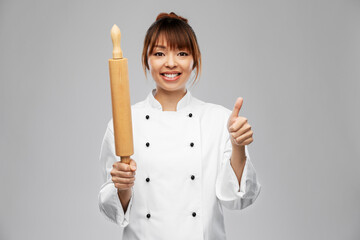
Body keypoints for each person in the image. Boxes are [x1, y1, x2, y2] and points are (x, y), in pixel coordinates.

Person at [98, 12, 261, 240]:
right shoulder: (124, 122)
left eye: (182, 53)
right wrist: (122, 186)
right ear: (147, 59)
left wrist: (238, 146)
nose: (171, 63)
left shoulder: (220, 120)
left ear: (195, 60)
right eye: (159, 53)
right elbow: (114, 211)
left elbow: (238, 199)